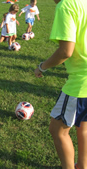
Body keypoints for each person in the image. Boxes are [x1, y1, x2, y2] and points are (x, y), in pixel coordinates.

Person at [34, 0, 87, 168]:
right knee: (83, 127)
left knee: (58, 130)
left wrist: (42, 66)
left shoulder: (66, 5)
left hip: (81, 83)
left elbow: (66, 51)